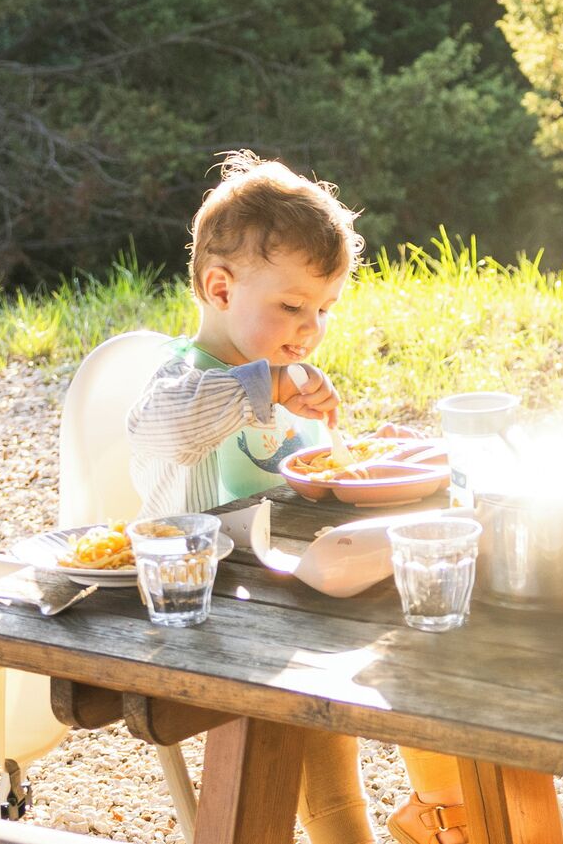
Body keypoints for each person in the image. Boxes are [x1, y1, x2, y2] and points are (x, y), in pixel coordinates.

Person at [122, 154, 378, 844]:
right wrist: (264, 386)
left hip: (288, 592)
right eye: (292, 306)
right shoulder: (182, 378)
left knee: (424, 639)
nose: (312, 327)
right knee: (309, 719)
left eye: (324, 309)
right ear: (219, 286)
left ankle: (443, 814)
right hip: (210, 608)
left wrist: (349, 453)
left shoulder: (282, 379)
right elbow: (170, 428)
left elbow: (311, 474)